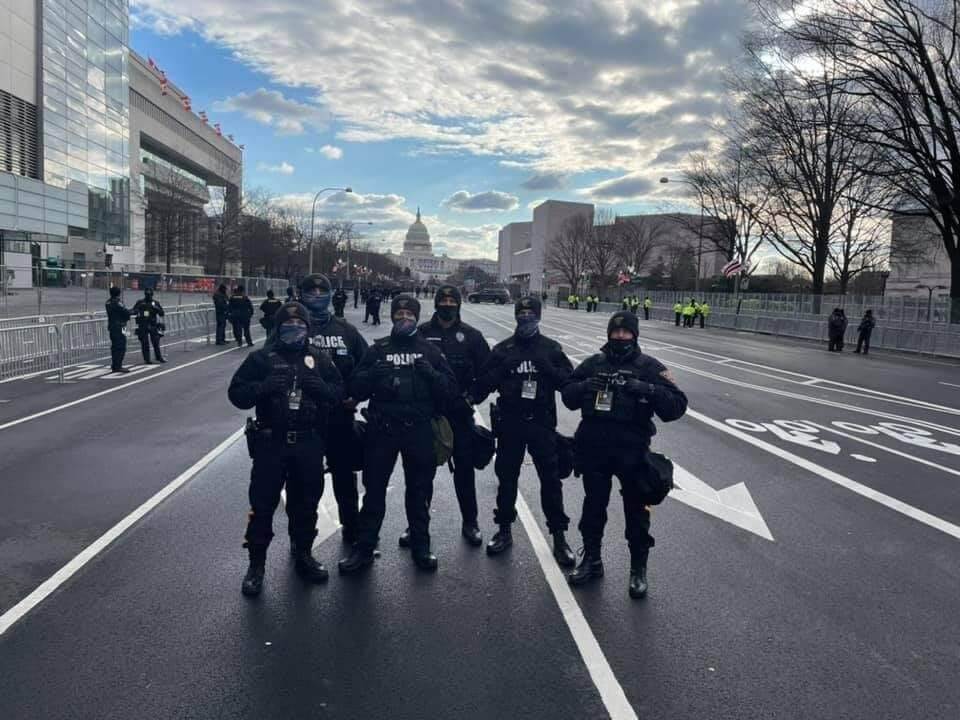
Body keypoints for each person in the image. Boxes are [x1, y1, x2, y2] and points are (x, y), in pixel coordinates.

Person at [561, 310, 687, 599]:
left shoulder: (649, 367)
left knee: (637, 513)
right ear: (608, 335)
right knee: (593, 508)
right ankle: (591, 560)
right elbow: (567, 395)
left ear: (634, 335)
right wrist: (584, 387)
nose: (620, 337)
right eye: (615, 332)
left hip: (632, 451)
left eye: (625, 332)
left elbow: (677, 406)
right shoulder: (594, 364)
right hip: (594, 449)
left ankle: (638, 570)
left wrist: (648, 389)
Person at [228, 302, 345, 596]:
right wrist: (263, 387)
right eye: (288, 325)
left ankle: (303, 554)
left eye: (300, 325)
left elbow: (339, 392)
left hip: (308, 442)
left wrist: (320, 388)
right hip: (272, 442)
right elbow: (237, 394)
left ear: (308, 329)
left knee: (306, 504)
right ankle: (256, 565)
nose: (294, 330)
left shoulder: (319, 359)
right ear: (278, 329)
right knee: (262, 505)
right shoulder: (262, 358)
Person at [338, 295, 458, 574]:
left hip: (418, 430)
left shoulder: (429, 351)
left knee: (418, 491)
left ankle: (421, 546)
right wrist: (371, 377)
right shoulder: (378, 349)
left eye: (409, 314)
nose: (404, 318)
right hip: (383, 430)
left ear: (417, 317)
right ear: (391, 316)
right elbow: (355, 389)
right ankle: (364, 548)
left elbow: (450, 390)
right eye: (399, 313)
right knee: (374, 493)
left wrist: (432, 375)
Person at [474, 296, 576, 567]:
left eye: (531, 312)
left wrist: (548, 368)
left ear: (538, 316)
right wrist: (502, 370)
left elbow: (570, 385)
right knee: (506, 478)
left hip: (542, 423)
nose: (526, 317)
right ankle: (504, 529)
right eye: (522, 312)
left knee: (551, 481)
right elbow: (481, 385)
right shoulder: (504, 349)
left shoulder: (551, 348)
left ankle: (559, 536)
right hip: (510, 422)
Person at [410, 285, 491, 548]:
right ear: (435, 304)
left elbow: (487, 375)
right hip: (428, 414)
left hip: (459, 414)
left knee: (464, 471)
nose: (447, 304)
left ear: (458, 304)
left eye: (451, 300)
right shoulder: (420, 333)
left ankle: (471, 522)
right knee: (423, 474)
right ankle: (417, 526)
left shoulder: (472, 336)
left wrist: (471, 398)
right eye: (442, 300)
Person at [296, 274, 369, 544]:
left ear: (330, 294)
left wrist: (356, 395)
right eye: (310, 290)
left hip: (339, 416)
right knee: (304, 480)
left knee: (344, 475)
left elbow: (367, 367)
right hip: (304, 421)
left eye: (321, 290)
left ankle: (352, 527)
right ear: (301, 294)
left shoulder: (346, 331)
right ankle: (302, 539)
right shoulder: (290, 328)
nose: (316, 294)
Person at [132, 288, 165, 364]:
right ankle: (147, 359)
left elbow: (162, 313)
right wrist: (137, 311)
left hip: (153, 324)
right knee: (145, 343)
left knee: (156, 342)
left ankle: (158, 357)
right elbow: (134, 310)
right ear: (145, 294)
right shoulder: (140, 302)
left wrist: (156, 309)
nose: (148, 296)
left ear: (152, 295)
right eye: (147, 295)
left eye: (150, 295)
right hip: (143, 324)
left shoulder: (155, 303)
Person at [105, 286, 131, 373]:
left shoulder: (108, 302)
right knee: (121, 346)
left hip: (112, 326)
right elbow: (126, 312)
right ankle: (118, 366)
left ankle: (115, 365)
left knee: (114, 347)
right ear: (118, 293)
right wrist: (133, 311)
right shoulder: (117, 302)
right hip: (120, 327)